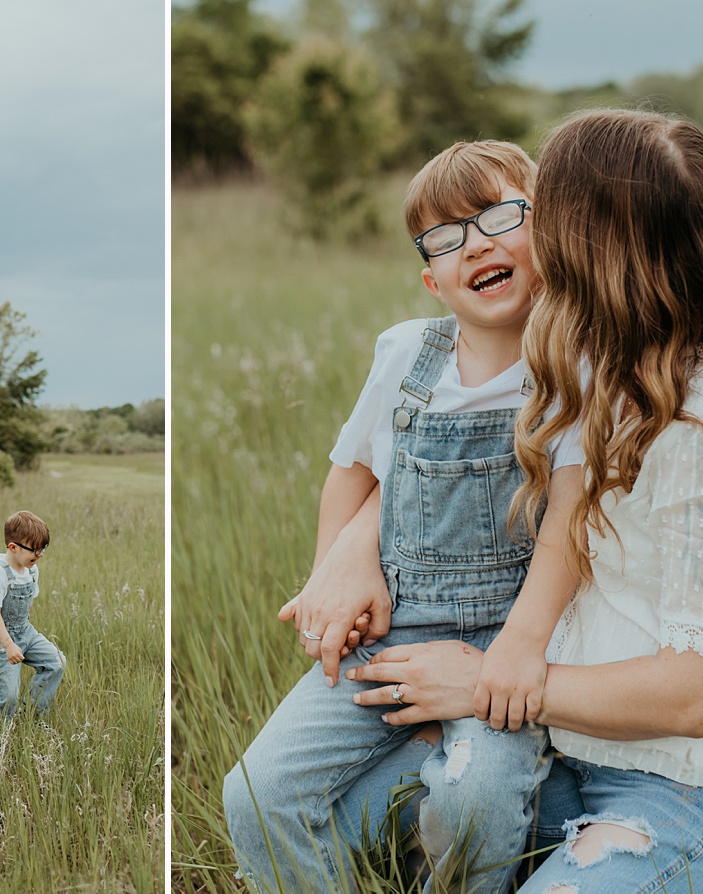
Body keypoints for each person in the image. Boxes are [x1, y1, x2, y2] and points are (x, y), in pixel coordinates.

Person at [349, 108, 703, 891]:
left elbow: (692, 698)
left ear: (590, 249)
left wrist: (479, 680)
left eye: (539, 217)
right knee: (331, 817)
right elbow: (443, 464)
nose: (511, 241)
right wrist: (349, 550)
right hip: (567, 746)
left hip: (693, 788)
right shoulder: (611, 355)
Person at [224, 140, 585, 893]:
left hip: (508, 640)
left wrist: (516, 655)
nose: (476, 244)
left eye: (497, 216)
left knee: (476, 798)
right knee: (256, 796)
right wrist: (335, 579)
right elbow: (349, 474)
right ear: (433, 280)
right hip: (394, 630)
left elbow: (567, 531)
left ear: (546, 230)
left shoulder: (572, 366)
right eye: (447, 238)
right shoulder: (406, 355)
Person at [0, 510, 65, 720]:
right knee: (9, 695)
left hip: (24, 631)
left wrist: (25, 632)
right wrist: (8, 645)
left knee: (56, 663)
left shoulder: (32, 570)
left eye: (43, 549)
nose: (40, 554)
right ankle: (1, 733)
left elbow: (29, 603)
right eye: (35, 550)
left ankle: (32, 716)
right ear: (13, 547)